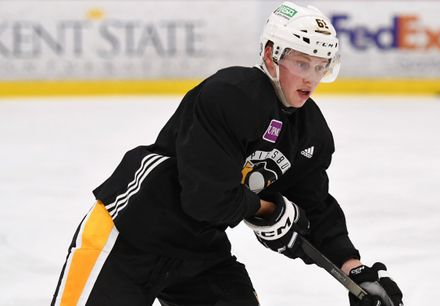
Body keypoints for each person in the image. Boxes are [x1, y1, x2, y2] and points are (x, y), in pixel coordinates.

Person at [51, 2, 403, 306]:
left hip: (199, 251)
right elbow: (206, 199)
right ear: (270, 55)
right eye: (301, 63)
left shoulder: (311, 133)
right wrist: (269, 211)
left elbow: (312, 207)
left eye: (320, 65)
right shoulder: (229, 96)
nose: (311, 77)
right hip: (129, 235)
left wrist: (355, 270)